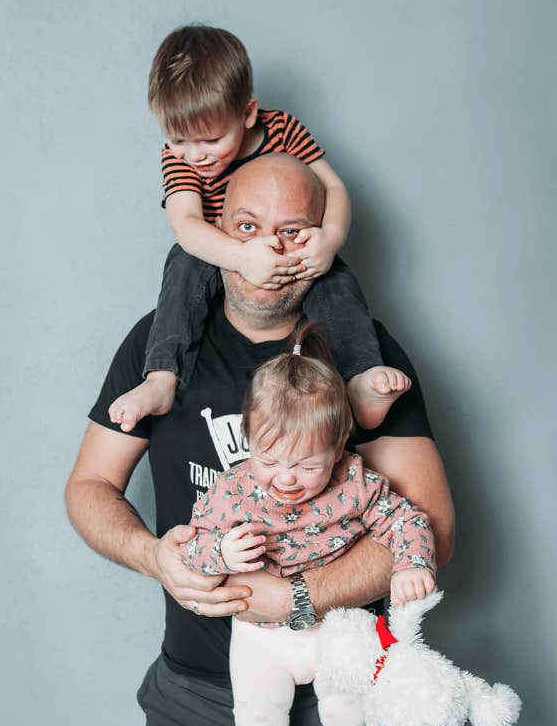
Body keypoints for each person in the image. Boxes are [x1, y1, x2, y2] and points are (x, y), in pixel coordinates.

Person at [65, 153, 455, 726]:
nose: (271, 252)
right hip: (197, 705)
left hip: (347, 685)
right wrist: (152, 556)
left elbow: (429, 528)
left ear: (325, 236)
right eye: (247, 227)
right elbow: (89, 488)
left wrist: (300, 598)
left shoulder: (365, 358)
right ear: (215, 228)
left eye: (294, 231)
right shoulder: (157, 346)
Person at [107, 24, 411, 435]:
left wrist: (330, 238)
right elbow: (186, 224)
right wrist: (242, 257)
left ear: (248, 114)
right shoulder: (179, 158)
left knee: (335, 278)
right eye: (177, 139)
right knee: (183, 263)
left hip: (290, 247)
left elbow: (334, 185)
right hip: (223, 248)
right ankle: (162, 377)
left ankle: (360, 381)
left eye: (211, 140)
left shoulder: (282, 129)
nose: (194, 155)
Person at [180, 321, 436, 726]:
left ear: (339, 448)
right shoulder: (233, 490)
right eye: (269, 460)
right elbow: (189, 552)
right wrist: (220, 550)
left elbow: (408, 520)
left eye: (306, 465)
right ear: (249, 437)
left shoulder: (355, 481)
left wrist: (413, 563)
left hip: (338, 629)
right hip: (261, 636)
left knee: (347, 721)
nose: (286, 479)